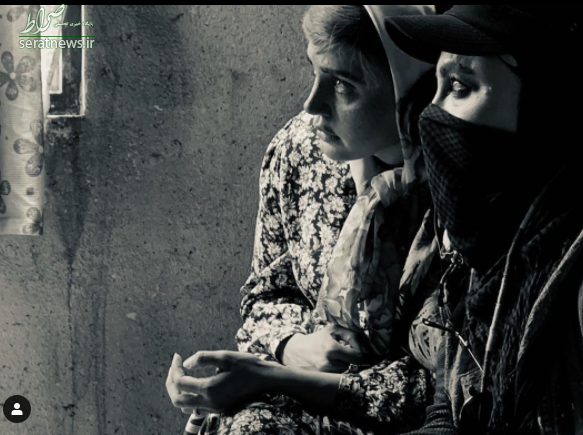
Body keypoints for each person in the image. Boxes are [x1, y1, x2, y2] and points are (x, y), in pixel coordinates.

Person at [166, 5, 441, 434]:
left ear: (408, 94)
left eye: (343, 85)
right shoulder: (300, 150)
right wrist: (293, 346)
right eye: (314, 71)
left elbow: (443, 383)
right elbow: (265, 296)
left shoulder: (454, 189)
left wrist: (280, 378)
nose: (311, 104)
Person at [380, 5, 582, 434]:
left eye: (459, 85)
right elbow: (446, 412)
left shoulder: (570, 286)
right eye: (435, 87)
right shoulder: (484, 256)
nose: (430, 116)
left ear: (545, 107)